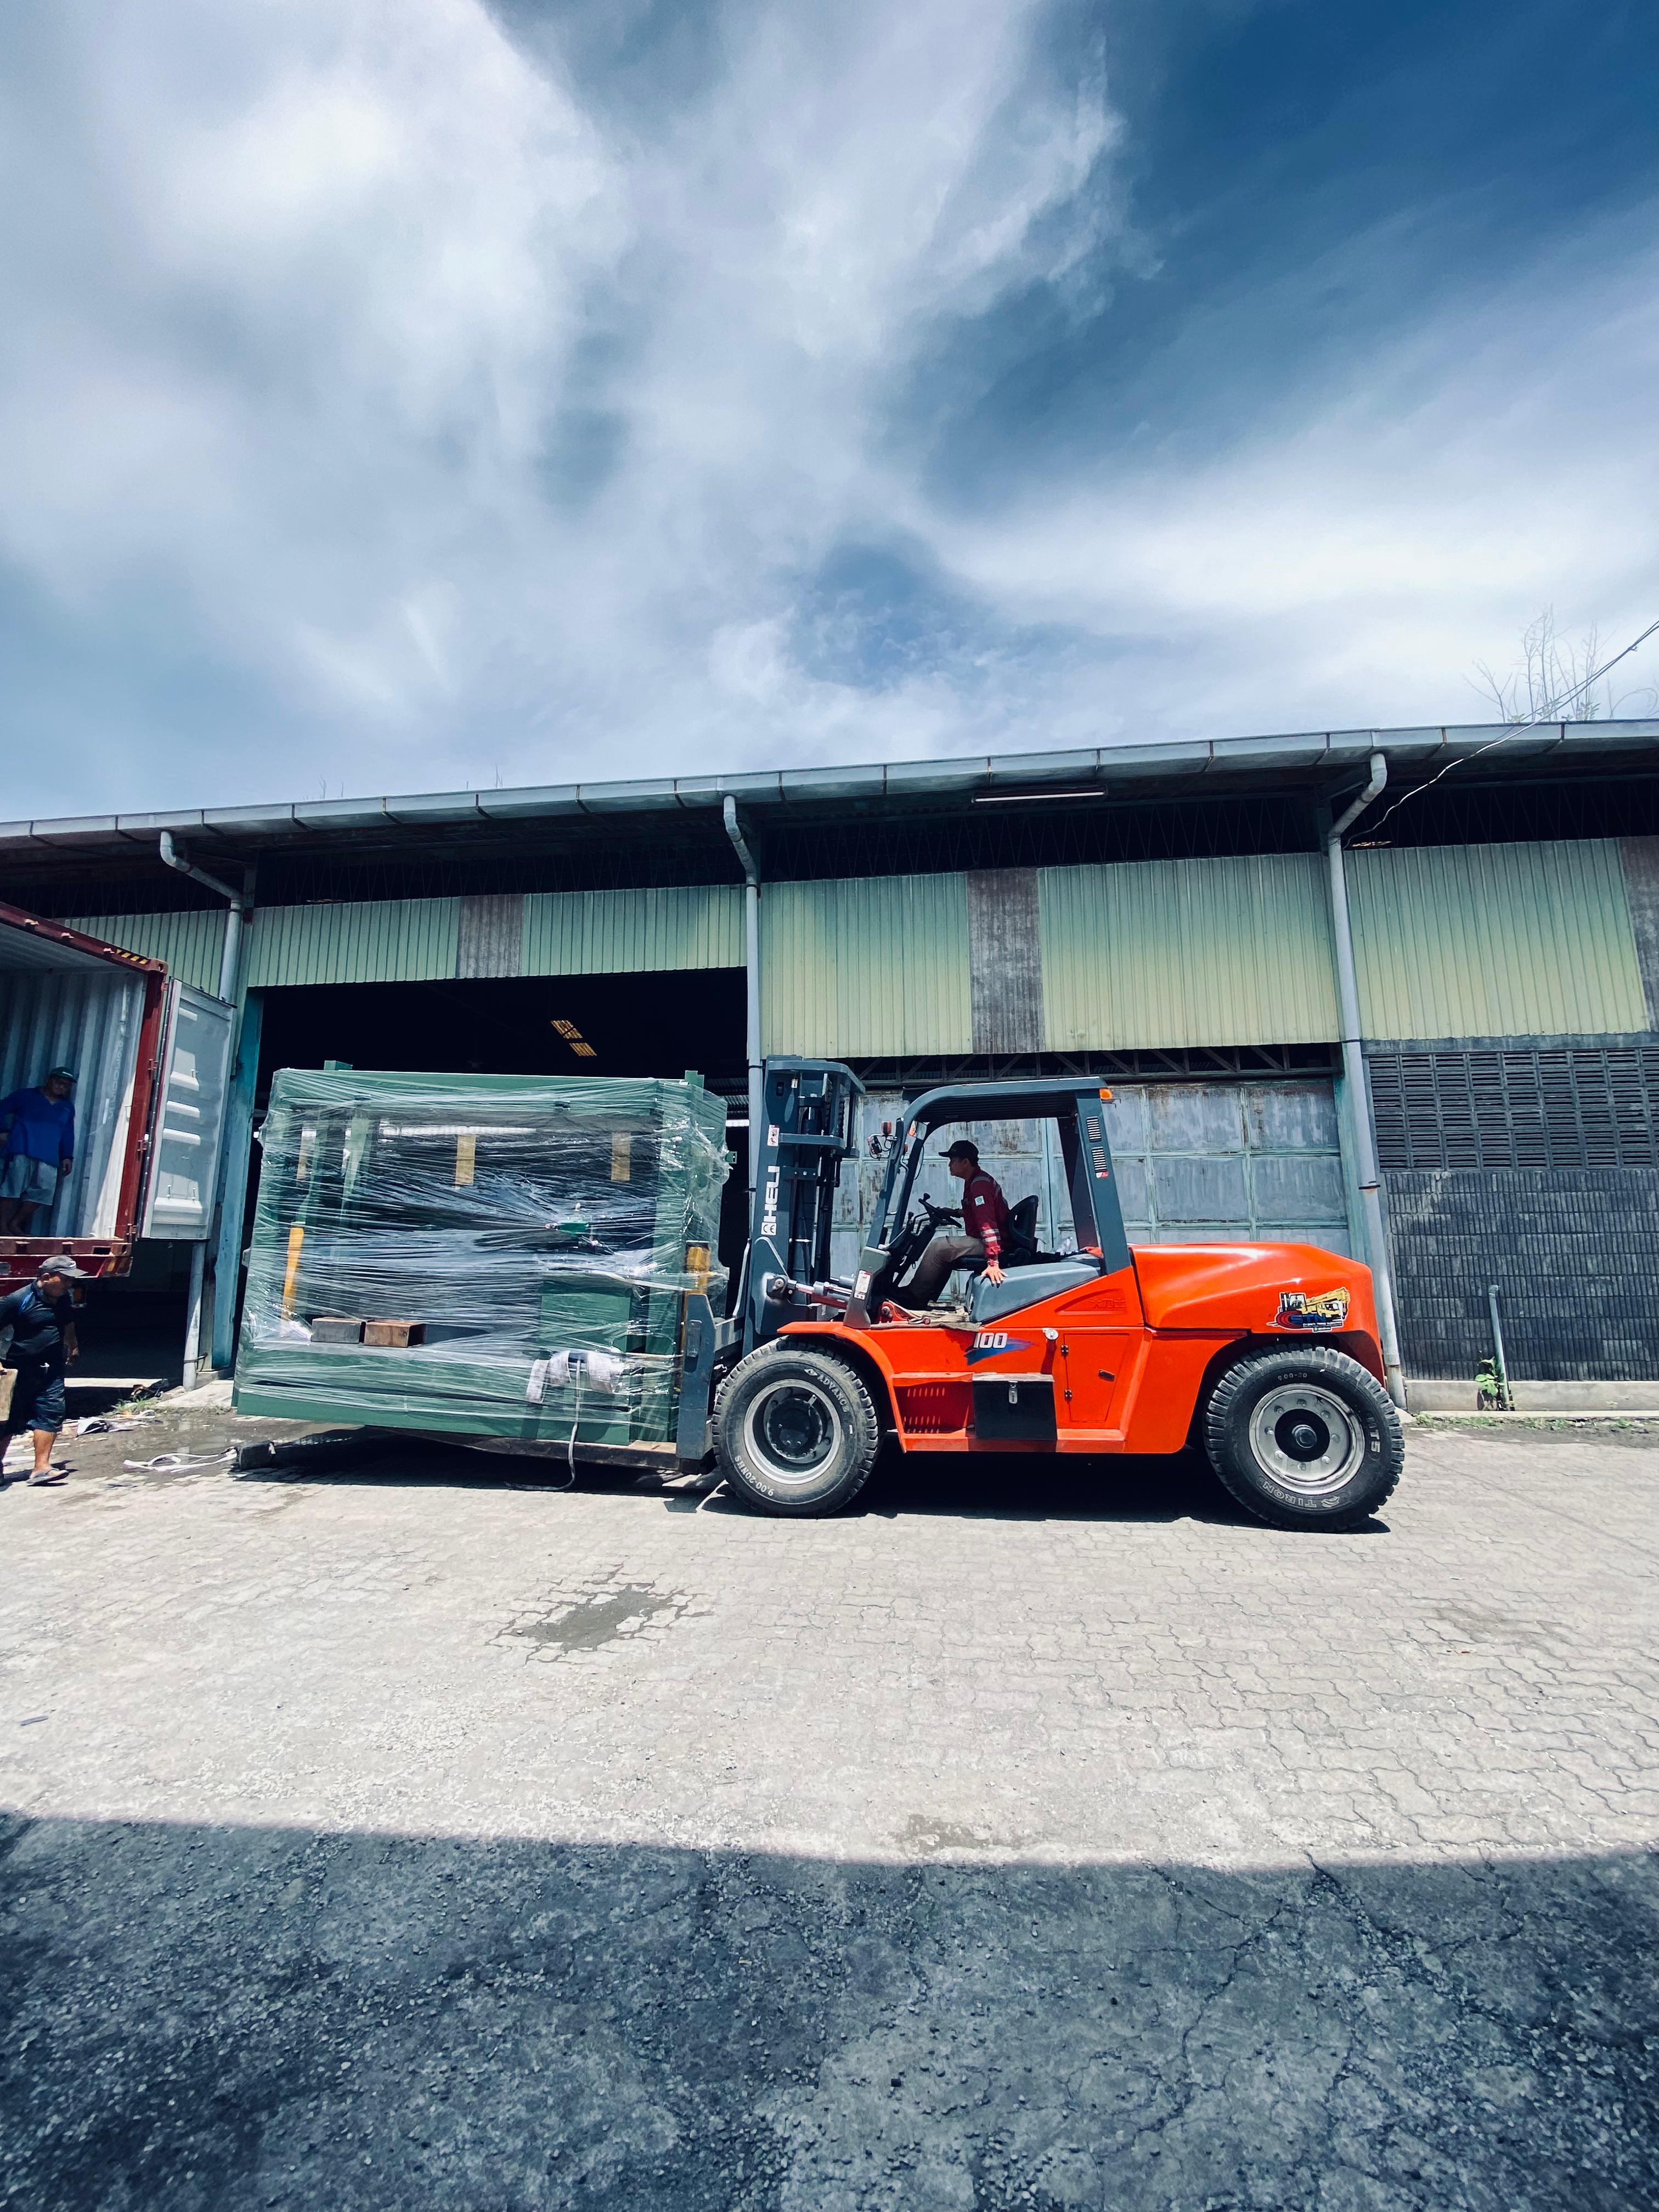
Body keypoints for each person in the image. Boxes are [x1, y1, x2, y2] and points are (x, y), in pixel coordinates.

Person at [897, 1138, 1010, 1308]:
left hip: (990, 1244)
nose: (949, 1165)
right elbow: (976, 1212)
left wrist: (993, 1262)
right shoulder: (975, 1181)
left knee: (939, 1247)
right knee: (945, 1251)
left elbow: (988, 1224)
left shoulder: (979, 1186)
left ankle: (914, 1296)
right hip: (986, 1241)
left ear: (965, 1162)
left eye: (952, 1161)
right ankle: (925, 1298)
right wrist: (955, 1213)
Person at [0, 1255, 82, 1485]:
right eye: (65, 1279)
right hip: (15, 1369)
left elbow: (67, 1323)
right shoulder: (17, 1301)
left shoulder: (63, 1299)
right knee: (8, 1421)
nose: (69, 1285)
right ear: (46, 1278)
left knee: (51, 1414)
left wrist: (73, 1345)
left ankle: (42, 1468)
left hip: (50, 1368)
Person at [0, 1067, 76, 1234]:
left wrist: (67, 1156)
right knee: (11, 1190)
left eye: (66, 1085)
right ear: (49, 1079)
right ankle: (2, 1226)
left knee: (41, 1194)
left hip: (49, 1157)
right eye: (58, 1082)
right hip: (21, 1150)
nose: (61, 1087)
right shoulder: (25, 1096)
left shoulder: (67, 1107)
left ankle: (15, 1223)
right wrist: (2, 1132)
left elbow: (68, 1133)